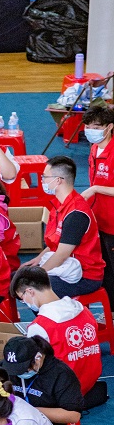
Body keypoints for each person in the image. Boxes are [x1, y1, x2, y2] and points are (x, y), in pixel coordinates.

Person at [11, 265, 102, 396]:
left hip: (63, 390)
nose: (25, 302)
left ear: (30, 292)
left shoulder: (39, 326)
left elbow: (34, 367)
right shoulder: (84, 310)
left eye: (22, 298)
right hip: (90, 381)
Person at [26, 155, 104, 297]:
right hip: (67, 267)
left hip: (84, 275)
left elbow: (61, 255)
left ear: (58, 180)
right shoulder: (59, 205)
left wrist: (37, 274)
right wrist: (38, 259)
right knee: (17, 277)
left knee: (32, 288)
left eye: (44, 177)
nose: (42, 181)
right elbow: (56, 243)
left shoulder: (76, 213)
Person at [0, 335, 84, 425]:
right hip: (12, 423)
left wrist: (31, 411)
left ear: (37, 358)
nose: (18, 373)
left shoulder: (61, 374)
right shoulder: (4, 367)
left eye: (23, 370)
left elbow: (73, 415)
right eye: (13, 370)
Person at [82, 107, 114, 306]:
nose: (90, 131)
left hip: (112, 224)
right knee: (106, 270)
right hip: (99, 220)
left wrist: (95, 189)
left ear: (109, 127)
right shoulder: (95, 148)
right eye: (87, 126)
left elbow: (97, 186)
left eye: (96, 127)